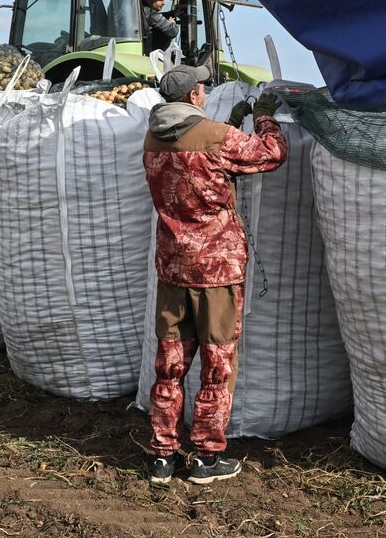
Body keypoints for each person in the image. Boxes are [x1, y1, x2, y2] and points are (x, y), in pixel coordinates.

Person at [142, 63, 286, 485]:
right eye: (202, 88)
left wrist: (230, 123)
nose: (204, 92)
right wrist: (262, 116)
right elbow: (271, 153)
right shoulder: (217, 139)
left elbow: (194, 157)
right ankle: (207, 455)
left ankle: (162, 454)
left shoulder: (153, 138)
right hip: (216, 270)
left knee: (170, 362)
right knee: (217, 362)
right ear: (193, 97)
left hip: (172, 269)